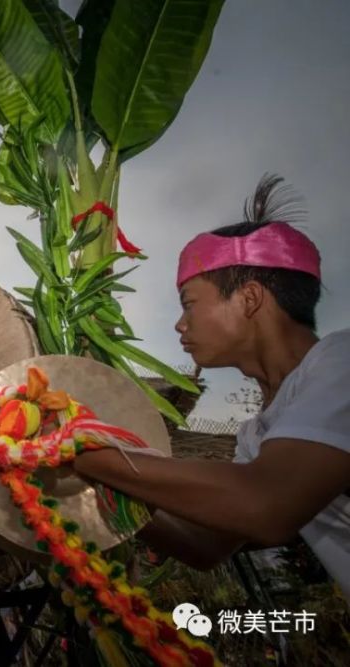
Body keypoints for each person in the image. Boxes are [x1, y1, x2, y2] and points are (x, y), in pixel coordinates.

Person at [73, 175, 350, 603]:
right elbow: (207, 545)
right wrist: (94, 483)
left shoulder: (341, 361)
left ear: (249, 298)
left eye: (189, 304)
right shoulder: (258, 434)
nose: (180, 324)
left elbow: (266, 503)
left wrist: (91, 455)